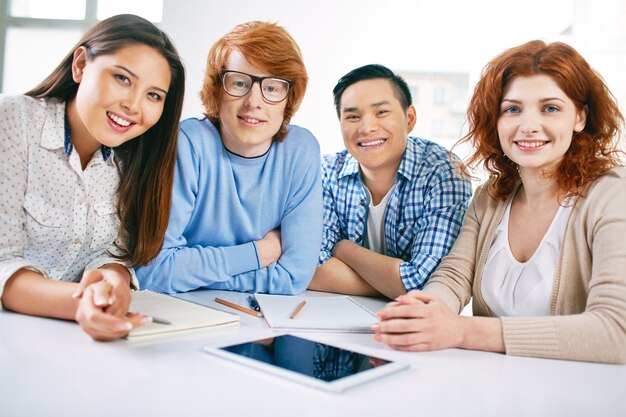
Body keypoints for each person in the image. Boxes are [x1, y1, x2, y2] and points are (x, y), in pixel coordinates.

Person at [374, 40, 626, 364]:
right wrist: (420, 316)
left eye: (550, 108)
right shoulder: (491, 196)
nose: (528, 125)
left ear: (580, 116)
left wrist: (462, 331)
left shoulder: (612, 195)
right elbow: (454, 276)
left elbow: (616, 332)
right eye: (512, 109)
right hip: (492, 387)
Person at [0, 14, 185, 341]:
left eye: (153, 95)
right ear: (81, 65)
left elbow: (114, 254)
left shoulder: (135, 160)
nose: (133, 105)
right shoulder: (14, 120)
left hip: (76, 344)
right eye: (123, 79)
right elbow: (3, 263)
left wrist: (114, 283)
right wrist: (83, 304)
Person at [136, 21, 322, 294]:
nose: (253, 102)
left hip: (266, 318)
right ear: (217, 90)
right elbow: (152, 270)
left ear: (288, 98)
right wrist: (260, 253)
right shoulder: (187, 144)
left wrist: (192, 273)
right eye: (239, 83)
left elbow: (293, 278)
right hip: (187, 313)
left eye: (272, 88)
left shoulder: (301, 150)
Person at [308, 64, 472, 299]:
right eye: (353, 116)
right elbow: (309, 267)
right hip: (335, 318)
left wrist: (343, 248)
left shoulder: (444, 172)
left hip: (411, 328)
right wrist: (392, 286)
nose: (367, 127)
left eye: (381, 112)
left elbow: (427, 282)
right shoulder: (326, 172)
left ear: (409, 118)